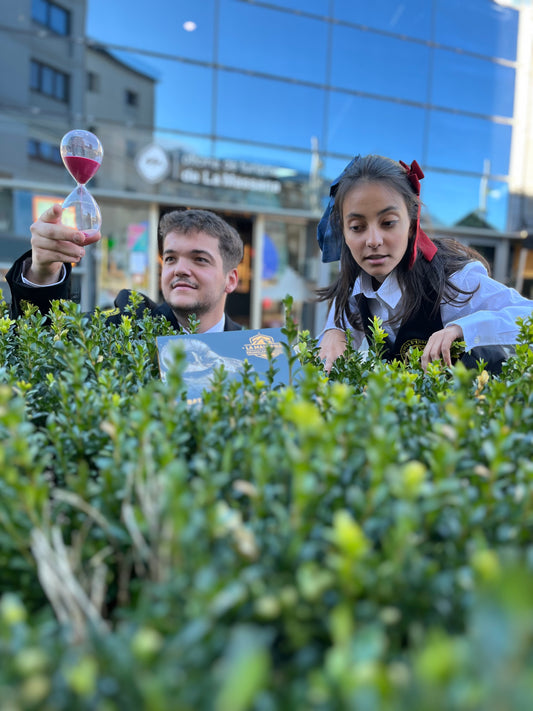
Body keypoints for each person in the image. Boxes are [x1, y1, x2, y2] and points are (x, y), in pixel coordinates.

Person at [316, 154, 533, 373]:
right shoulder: (355, 290)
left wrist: (462, 328)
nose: (373, 241)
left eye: (388, 223)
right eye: (357, 227)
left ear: (411, 224)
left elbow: (528, 315)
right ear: (343, 232)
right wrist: (333, 331)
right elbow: (335, 344)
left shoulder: (453, 281)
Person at [6, 205, 244, 333]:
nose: (179, 269)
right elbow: (43, 337)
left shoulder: (256, 354)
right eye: (170, 259)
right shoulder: (125, 326)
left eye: (200, 259)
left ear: (231, 279)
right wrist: (43, 273)